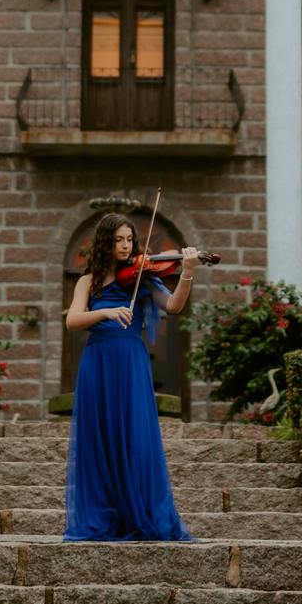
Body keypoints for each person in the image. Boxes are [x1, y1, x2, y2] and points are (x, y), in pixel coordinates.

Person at [63, 213, 198, 541]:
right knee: (101, 436)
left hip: (131, 359)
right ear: (105, 243)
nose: (125, 246)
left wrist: (187, 272)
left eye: (129, 240)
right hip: (98, 360)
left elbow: (174, 306)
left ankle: (139, 512)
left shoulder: (144, 278)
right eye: (118, 240)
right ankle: (104, 513)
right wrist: (106, 311)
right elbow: (73, 320)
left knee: (134, 434)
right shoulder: (88, 281)